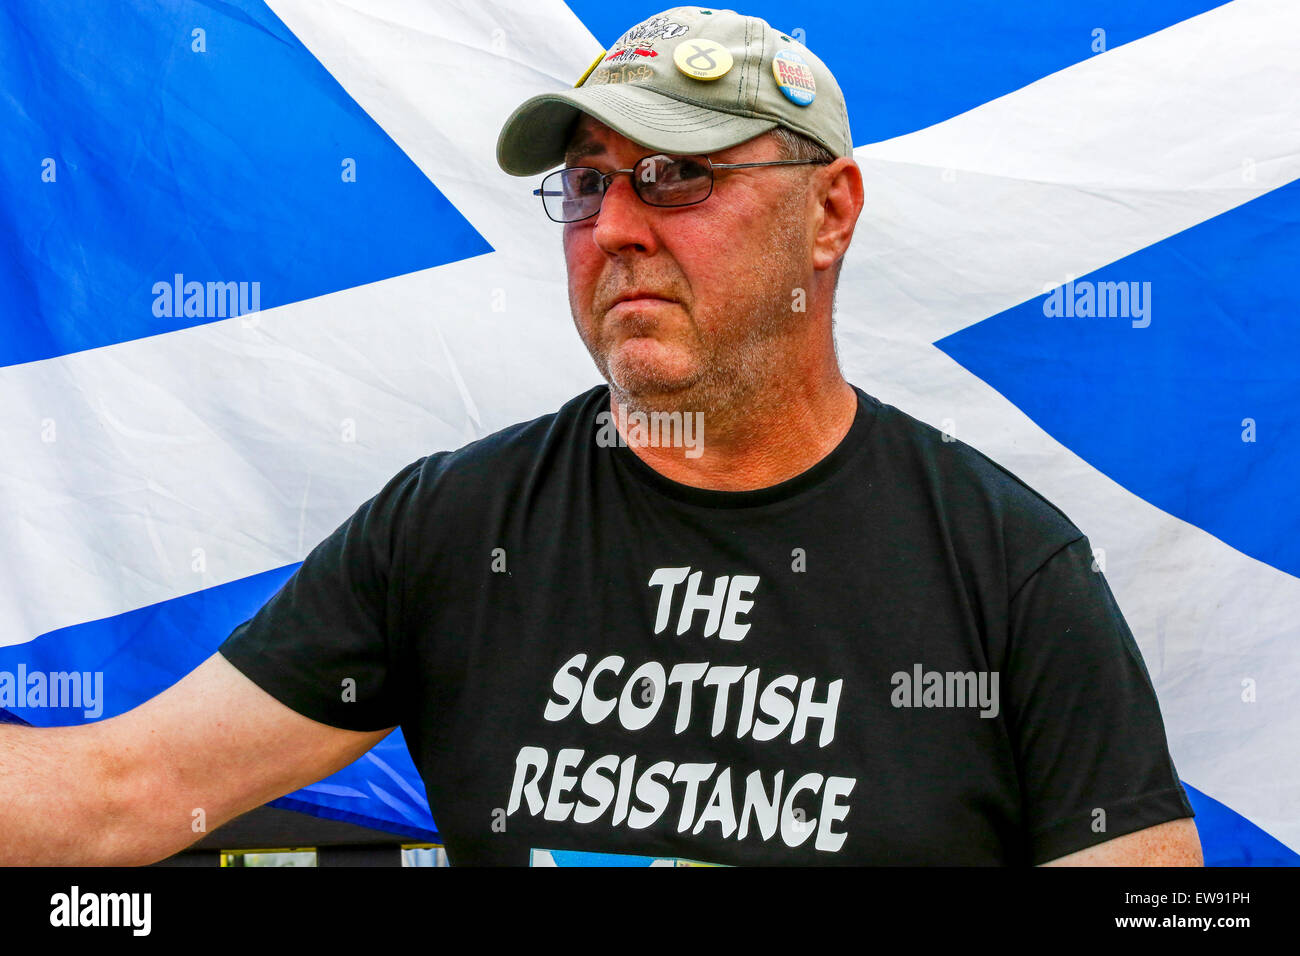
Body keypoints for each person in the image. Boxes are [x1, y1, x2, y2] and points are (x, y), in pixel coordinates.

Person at [0, 6, 1200, 866]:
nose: (614, 225)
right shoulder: (454, 529)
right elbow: (124, 793)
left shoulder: (1005, 565)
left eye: (676, 174)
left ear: (827, 210)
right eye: (586, 186)